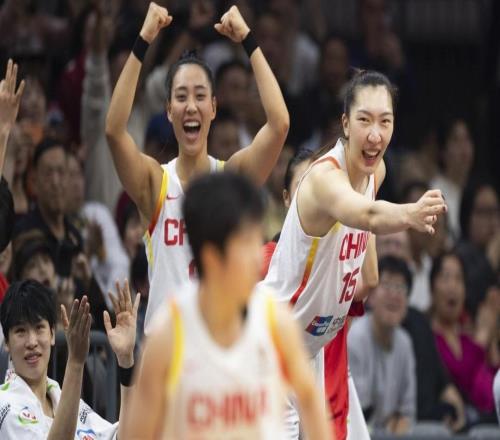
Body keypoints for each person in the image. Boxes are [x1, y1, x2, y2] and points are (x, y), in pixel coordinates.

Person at [260, 70, 447, 438]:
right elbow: (368, 215)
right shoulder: (324, 179)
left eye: (385, 121)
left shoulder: (375, 172)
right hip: (270, 341)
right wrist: (410, 213)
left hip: (309, 350)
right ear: (345, 124)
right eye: (364, 120)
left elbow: (368, 276)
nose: (375, 134)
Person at [105, 2, 289, 331]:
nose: (191, 106)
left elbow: (279, 124)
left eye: (200, 96)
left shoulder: (230, 180)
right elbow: (114, 131)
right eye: (181, 97)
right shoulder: (155, 183)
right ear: (168, 110)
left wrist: (248, 39)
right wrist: (143, 39)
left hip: (218, 352)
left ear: (214, 108)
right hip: (167, 354)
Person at [122, 172, 332, 439]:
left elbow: (312, 402)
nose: (259, 256)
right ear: (212, 257)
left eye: (258, 240)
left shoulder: (276, 322)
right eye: (247, 244)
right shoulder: (168, 336)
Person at [0, 278, 140, 439]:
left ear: (52, 334)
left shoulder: (69, 402)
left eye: (39, 328)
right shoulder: (4, 405)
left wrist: (125, 360)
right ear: (7, 342)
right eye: (20, 331)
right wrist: (75, 362)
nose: (32, 342)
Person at [348, 256, 416, 435]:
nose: (394, 295)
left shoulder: (405, 343)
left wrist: (400, 423)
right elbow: (359, 410)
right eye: (387, 286)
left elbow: (408, 411)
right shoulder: (355, 337)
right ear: (370, 296)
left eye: (401, 288)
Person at [430, 250, 498, 421]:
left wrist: (491, 342)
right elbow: (461, 381)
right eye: (446, 277)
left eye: (459, 279)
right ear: (432, 288)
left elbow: (491, 391)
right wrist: (482, 339)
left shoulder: (467, 340)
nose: (453, 286)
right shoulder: (428, 337)